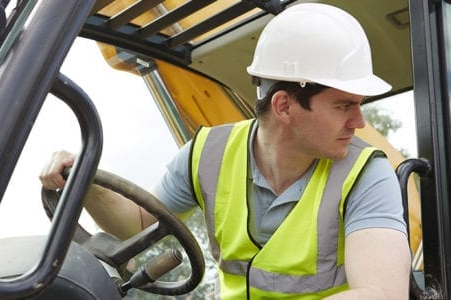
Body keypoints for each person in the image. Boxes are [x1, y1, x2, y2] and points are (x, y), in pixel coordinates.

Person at [40, 3, 411, 299]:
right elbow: (136, 226)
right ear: (284, 106)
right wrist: (83, 179)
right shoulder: (208, 153)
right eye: (344, 106)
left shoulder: (366, 173)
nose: (359, 122)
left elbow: (381, 292)